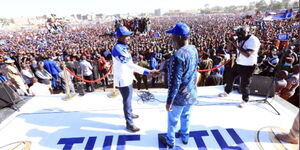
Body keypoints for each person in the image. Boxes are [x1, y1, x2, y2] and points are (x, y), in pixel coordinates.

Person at [159, 23, 198, 148]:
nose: (171, 39)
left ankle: (170, 141)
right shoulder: (193, 49)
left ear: (179, 38)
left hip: (179, 96)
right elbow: (190, 70)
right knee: (186, 117)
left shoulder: (178, 55)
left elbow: (175, 82)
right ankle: (185, 138)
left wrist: (169, 101)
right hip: (191, 93)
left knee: (173, 121)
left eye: (173, 36)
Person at [112, 26, 159, 132]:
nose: (129, 37)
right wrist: (147, 72)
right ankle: (129, 123)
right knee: (127, 100)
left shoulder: (123, 46)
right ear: (121, 37)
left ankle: (130, 113)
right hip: (123, 79)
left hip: (128, 77)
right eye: (127, 36)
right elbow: (130, 65)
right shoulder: (118, 49)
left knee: (129, 98)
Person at [218, 25, 261, 108]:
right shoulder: (241, 39)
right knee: (230, 76)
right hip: (239, 62)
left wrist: (236, 44)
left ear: (247, 32)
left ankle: (245, 100)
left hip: (248, 65)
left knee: (244, 84)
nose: (239, 35)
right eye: (238, 33)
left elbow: (247, 54)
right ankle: (227, 91)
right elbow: (229, 49)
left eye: (241, 33)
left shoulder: (253, 40)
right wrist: (230, 42)